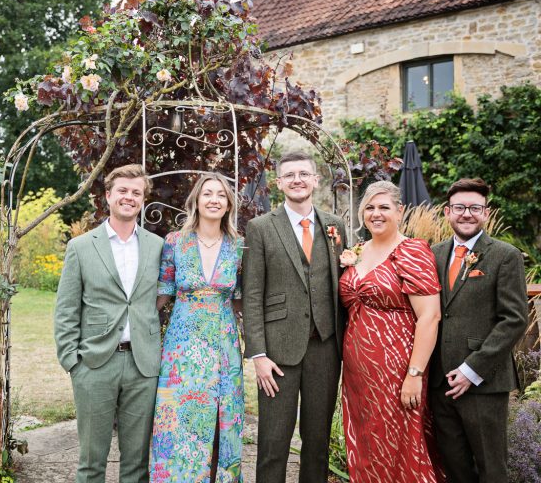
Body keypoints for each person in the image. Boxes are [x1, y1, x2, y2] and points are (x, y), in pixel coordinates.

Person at [54, 164, 164, 483]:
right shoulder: (82, 247)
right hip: (95, 364)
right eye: (123, 191)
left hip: (143, 365)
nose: (129, 197)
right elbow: (66, 309)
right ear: (108, 196)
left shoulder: (157, 246)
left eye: (136, 192)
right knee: (91, 462)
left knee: (136, 463)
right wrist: (72, 363)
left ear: (143, 199)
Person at [243, 151, 347, 482]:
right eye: (290, 175)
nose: (297, 180)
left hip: (326, 348)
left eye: (304, 174)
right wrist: (258, 353)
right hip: (277, 353)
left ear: (316, 180)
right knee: (273, 443)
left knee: (316, 443)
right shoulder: (260, 227)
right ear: (279, 183)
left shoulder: (335, 226)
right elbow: (253, 294)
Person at [339, 180, 443, 482]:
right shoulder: (356, 251)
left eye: (384, 207)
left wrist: (414, 375)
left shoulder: (411, 252)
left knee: (400, 443)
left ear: (400, 212)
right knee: (366, 443)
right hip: (358, 374)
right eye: (369, 207)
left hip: (398, 369)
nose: (376, 213)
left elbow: (430, 316)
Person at [429, 178, 528, 483]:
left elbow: (514, 319)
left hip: (483, 383)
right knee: (455, 468)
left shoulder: (504, 256)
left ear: (485, 212)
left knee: (491, 468)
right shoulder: (432, 254)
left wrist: (471, 370)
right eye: (460, 207)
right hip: (439, 382)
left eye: (475, 207)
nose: (467, 214)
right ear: (448, 212)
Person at [149, 173, 245, 483]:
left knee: (222, 422)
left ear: (228, 203)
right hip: (182, 346)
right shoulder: (175, 242)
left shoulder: (238, 245)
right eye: (208, 194)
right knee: (177, 419)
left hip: (223, 343)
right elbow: (162, 293)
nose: (214, 199)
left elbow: (242, 300)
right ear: (196, 201)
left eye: (221, 194)